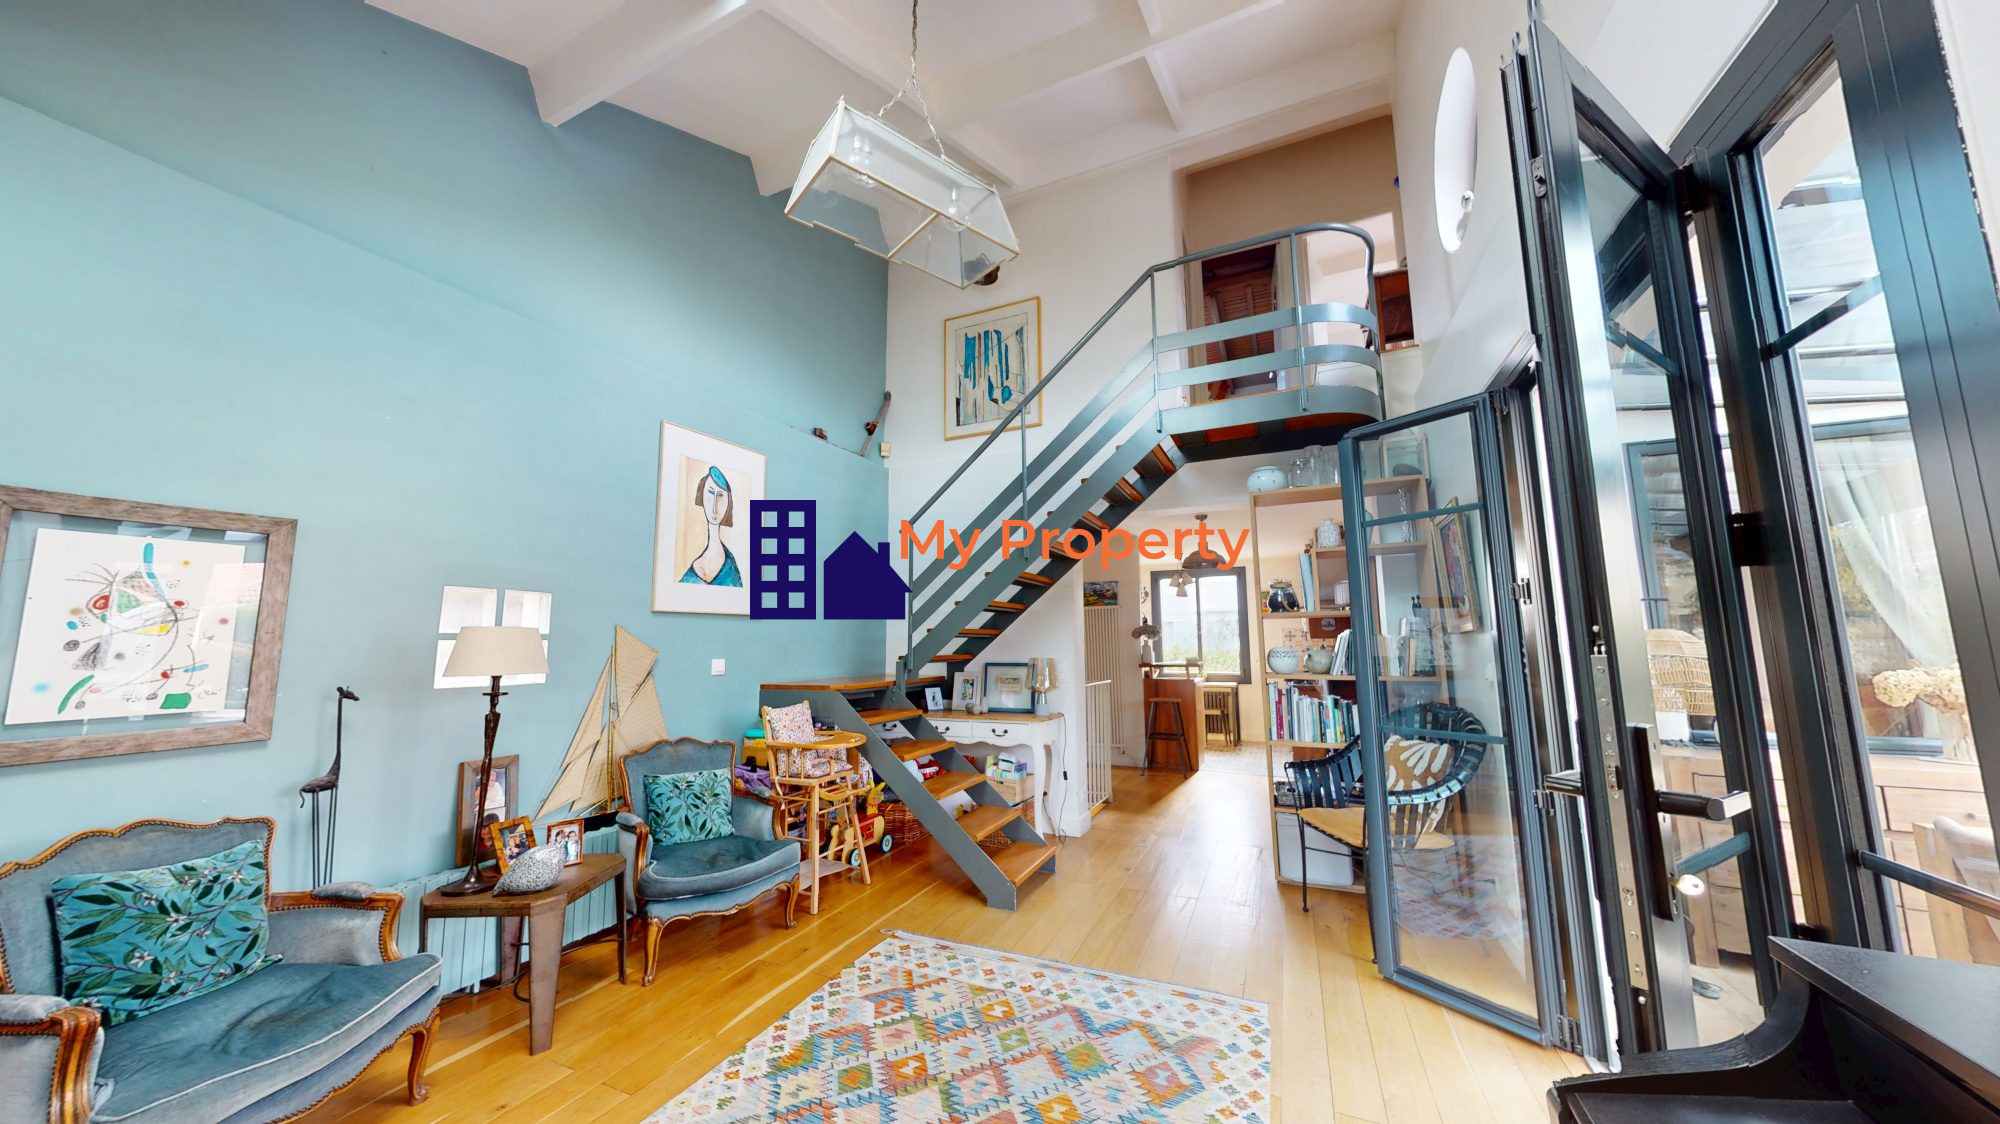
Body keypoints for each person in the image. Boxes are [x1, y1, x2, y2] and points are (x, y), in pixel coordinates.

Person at [681, 465, 742, 586]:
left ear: (728, 502)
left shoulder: (731, 567)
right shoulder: (688, 557)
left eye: (720, 496)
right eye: (710, 493)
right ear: (702, 496)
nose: (714, 507)